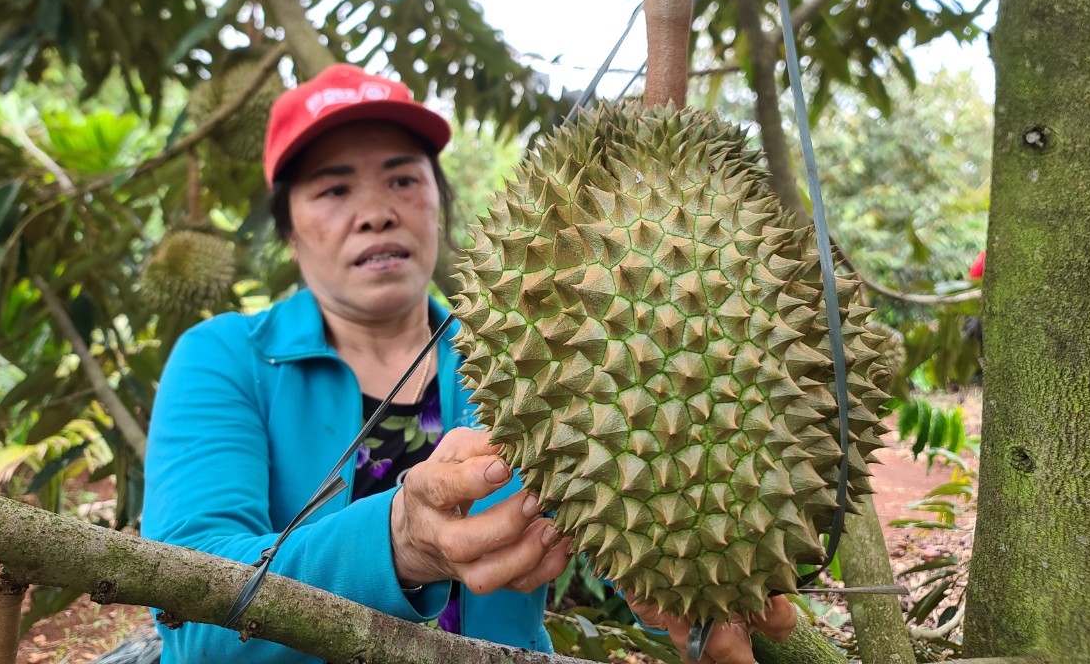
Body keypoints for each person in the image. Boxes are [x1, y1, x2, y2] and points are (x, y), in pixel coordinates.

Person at [142, 63, 795, 664]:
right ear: (287, 229)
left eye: (402, 178)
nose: (376, 213)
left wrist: (683, 601)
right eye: (334, 189)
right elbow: (191, 620)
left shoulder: (536, 350)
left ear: (438, 200)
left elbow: (629, 517)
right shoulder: (226, 358)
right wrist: (399, 546)